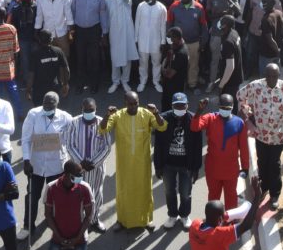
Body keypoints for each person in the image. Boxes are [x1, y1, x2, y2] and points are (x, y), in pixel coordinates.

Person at [237, 65, 283, 210]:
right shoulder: (256, 86)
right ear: (265, 75)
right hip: (261, 134)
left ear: (279, 75)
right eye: (269, 76)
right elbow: (239, 96)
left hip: (278, 135)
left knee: (275, 164)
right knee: (262, 162)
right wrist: (248, 119)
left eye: (274, 76)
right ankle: (263, 188)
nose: (271, 79)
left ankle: (275, 194)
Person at [99, 91, 166, 230]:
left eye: (136, 103)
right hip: (124, 164)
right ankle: (121, 221)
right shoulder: (118, 115)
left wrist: (156, 112)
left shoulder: (146, 114)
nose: (134, 106)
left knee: (145, 190)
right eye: (131, 104)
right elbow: (103, 129)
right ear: (125, 104)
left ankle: (147, 220)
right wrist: (107, 115)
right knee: (124, 192)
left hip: (143, 164)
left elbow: (162, 126)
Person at [18, 91, 72, 242]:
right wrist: (26, 160)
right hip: (36, 165)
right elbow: (26, 139)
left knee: (56, 196)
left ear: (57, 104)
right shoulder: (33, 114)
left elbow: (71, 139)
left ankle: (56, 222)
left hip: (56, 165)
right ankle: (28, 226)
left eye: (51, 104)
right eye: (45, 103)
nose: (47, 107)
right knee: (32, 196)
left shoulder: (65, 117)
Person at [188, 176, 263, 250]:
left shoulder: (194, 227)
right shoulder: (219, 236)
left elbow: (209, 221)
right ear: (220, 219)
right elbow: (246, 225)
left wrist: (224, 216)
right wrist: (257, 196)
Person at [190, 94, 249, 210]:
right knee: (213, 198)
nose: (225, 110)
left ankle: (229, 223)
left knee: (231, 198)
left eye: (228, 108)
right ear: (218, 106)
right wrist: (199, 111)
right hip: (213, 169)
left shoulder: (239, 123)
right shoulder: (210, 118)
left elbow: (244, 148)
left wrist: (245, 167)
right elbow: (194, 127)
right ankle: (213, 222)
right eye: (223, 108)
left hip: (231, 171)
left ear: (232, 107)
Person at [154, 92, 202, 230]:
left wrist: (196, 168)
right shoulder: (163, 119)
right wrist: (158, 165)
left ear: (187, 105)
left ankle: (184, 215)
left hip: (186, 165)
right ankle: (173, 215)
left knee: (186, 193)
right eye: (177, 106)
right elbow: (158, 144)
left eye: (183, 105)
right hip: (168, 164)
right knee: (169, 191)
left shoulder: (194, 118)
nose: (180, 108)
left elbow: (198, 146)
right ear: (172, 105)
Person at [65, 97, 112, 233]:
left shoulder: (102, 123)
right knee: (77, 195)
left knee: (96, 194)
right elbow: (69, 145)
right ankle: (79, 222)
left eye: (91, 110)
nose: (88, 112)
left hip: (96, 168)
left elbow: (107, 147)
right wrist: (80, 163)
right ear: (82, 109)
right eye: (86, 110)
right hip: (77, 168)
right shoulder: (74, 123)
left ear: (96, 109)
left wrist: (94, 163)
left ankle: (94, 220)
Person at [44, 159, 94, 250]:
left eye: (81, 174)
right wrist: (59, 237)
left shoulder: (84, 188)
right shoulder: (51, 187)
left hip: (80, 240)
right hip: (58, 239)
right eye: (77, 175)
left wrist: (77, 238)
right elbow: (48, 215)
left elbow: (89, 216)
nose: (80, 177)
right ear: (67, 174)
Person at [70, 0, 108, 93]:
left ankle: (94, 85)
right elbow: (73, 10)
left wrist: (104, 34)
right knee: (80, 58)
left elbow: (103, 14)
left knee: (94, 59)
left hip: (94, 30)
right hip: (80, 30)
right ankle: (80, 85)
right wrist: (71, 29)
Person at [105, 0, 138, 94]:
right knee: (115, 58)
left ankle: (125, 81)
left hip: (127, 34)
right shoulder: (107, 0)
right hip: (114, 33)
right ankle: (115, 81)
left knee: (127, 58)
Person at [135, 0, 167, 92]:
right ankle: (142, 81)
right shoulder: (141, 6)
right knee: (143, 62)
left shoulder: (161, 8)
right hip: (142, 40)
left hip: (156, 41)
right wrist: (136, 39)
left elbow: (163, 26)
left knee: (156, 62)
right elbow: (137, 23)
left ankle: (156, 82)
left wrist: (163, 41)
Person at [27, 30, 70, 107]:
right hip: (54, 88)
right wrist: (65, 84)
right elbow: (66, 69)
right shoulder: (58, 51)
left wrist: (28, 90)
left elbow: (31, 75)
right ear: (51, 39)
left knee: (40, 112)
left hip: (39, 90)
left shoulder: (35, 54)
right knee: (54, 110)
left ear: (39, 40)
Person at [161, 26, 189, 111]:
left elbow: (169, 75)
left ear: (176, 37)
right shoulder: (178, 46)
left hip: (174, 88)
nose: (170, 40)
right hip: (172, 86)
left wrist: (162, 68)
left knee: (169, 109)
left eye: (171, 37)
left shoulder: (180, 53)